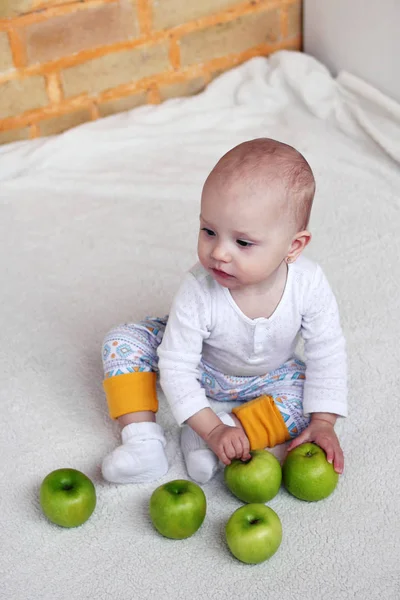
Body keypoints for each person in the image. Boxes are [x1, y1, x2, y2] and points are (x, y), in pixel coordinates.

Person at [101, 138, 347, 486]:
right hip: (202, 364)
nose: (219, 252)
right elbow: (176, 365)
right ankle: (143, 442)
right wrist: (209, 423)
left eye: (242, 242)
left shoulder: (309, 283)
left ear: (294, 246)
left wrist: (323, 421)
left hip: (270, 376)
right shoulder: (199, 288)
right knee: (122, 341)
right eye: (209, 231)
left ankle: (222, 435)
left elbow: (328, 351)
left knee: (306, 400)